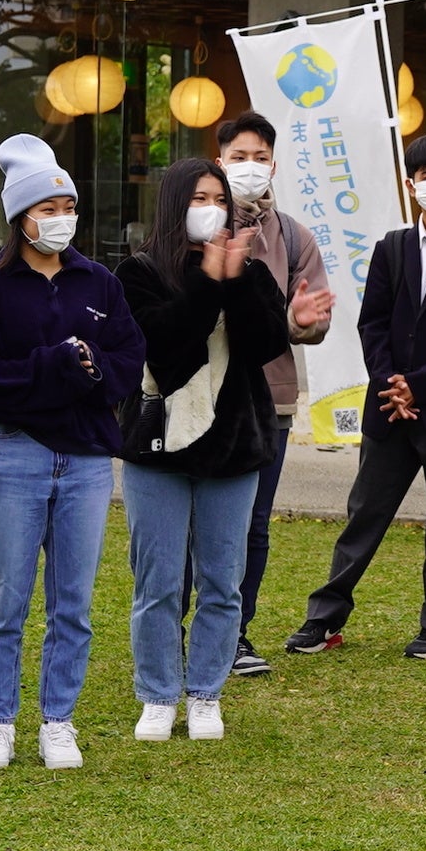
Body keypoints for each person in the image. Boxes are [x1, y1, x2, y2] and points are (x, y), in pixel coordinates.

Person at [0, 134, 141, 773]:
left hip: (87, 463)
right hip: (14, 455)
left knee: (73, 604)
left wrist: (88, 369)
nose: (62, 218)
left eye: (69, 207)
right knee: (4, 601)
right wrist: (51, 367)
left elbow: (127, 359)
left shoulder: (100, 282)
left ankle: (58, 720)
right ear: (20, 217)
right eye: (48, 208)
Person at [288, 132, 426, 661]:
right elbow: (373, 324)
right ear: (411, 185)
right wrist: (392, 384)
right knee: (364, 512)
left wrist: (420, 385)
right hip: (390, 406)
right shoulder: (392, 248)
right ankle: (325, 618)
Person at [119, 157, 295, 743]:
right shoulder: (138, 272)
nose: (211, 209)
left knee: (222, 581)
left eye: (219, 199)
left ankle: (205, 693)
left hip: (234, 448)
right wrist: (207, 281)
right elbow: (164, 344)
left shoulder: (251, 270)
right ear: (175, 205)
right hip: (158, 448)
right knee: (158, 582)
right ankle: (157, 693)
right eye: (199, 198)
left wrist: (236, 280)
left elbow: (266, 342)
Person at [205, 113, 336, 677]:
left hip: (269, 401)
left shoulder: (295, 236)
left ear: (275, 166)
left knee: (253, 523)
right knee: (196, 522)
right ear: (219, 163)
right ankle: (185, 627)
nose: (250, 167)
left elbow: (316, 316)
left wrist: (301, 321)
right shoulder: (196, 224)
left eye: (260, 158)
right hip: (201, 395)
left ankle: (235, 633)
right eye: (239, 157)